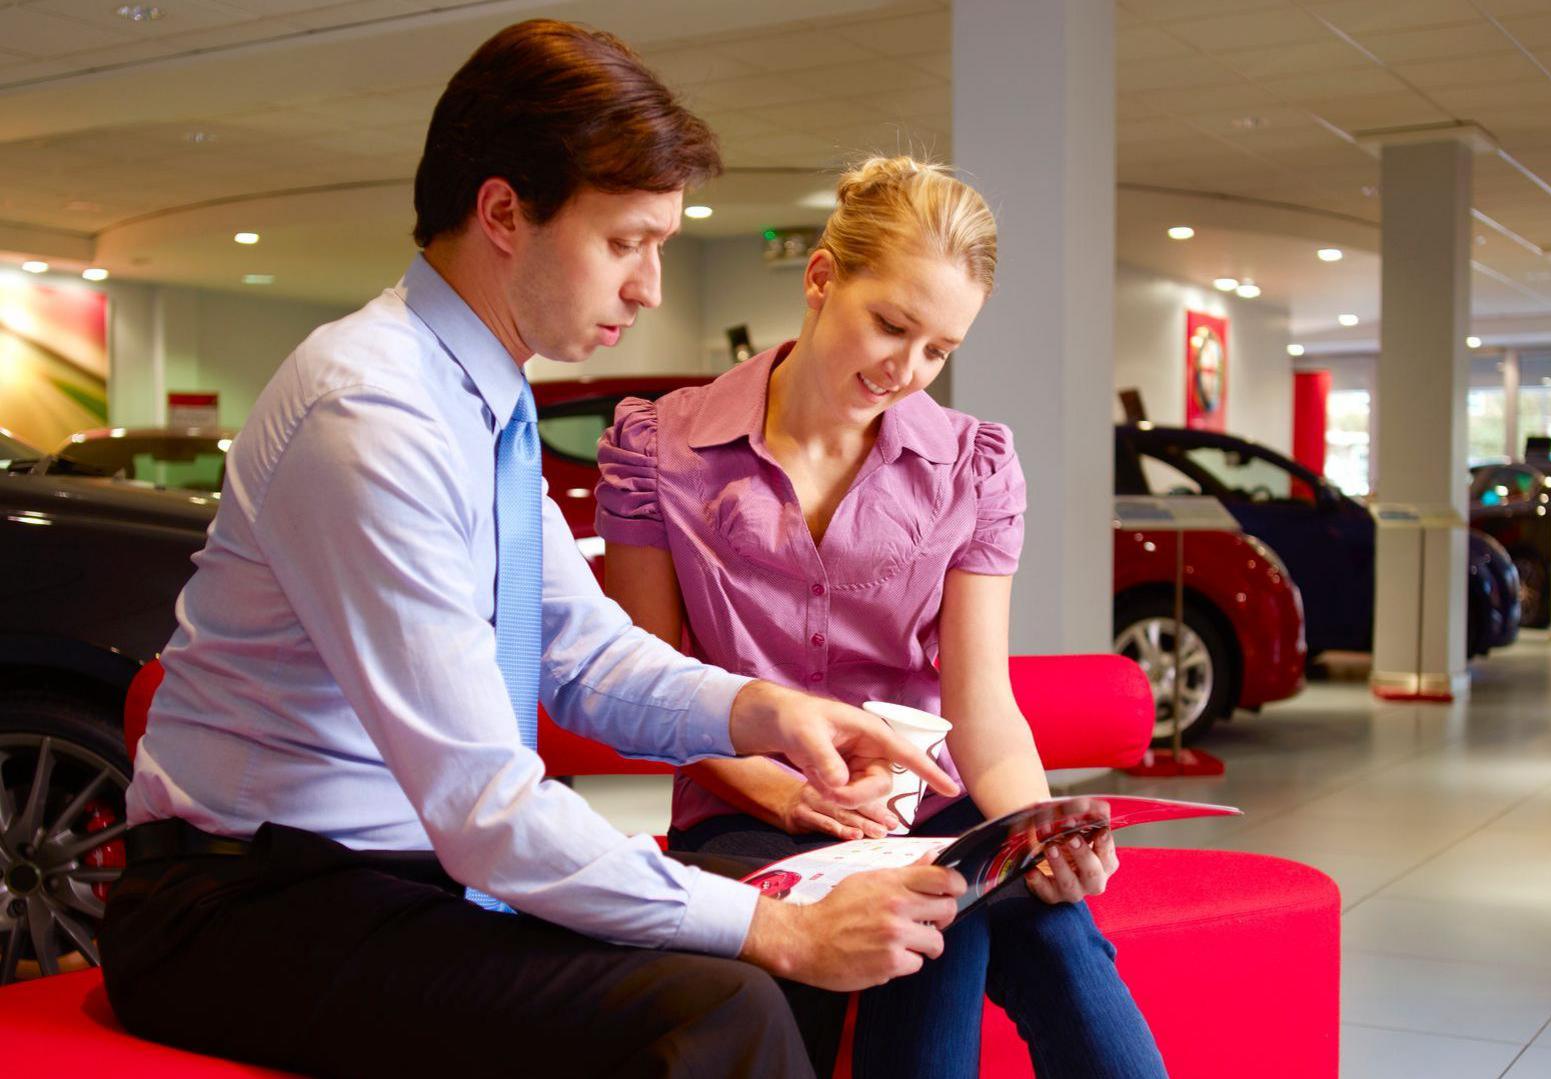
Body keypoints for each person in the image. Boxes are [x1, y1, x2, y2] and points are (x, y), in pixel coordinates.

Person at [99, 21, 966, 1079]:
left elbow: (584, 652)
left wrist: (768, 710)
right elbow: (486, 807)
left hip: (388, 870)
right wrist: (769, 926)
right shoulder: (370, 412)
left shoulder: (482, 399)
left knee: (783, 934)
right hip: (236, 903)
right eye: (626, 242)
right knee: (725, 998)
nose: (649, 285)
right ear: (504, 210)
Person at [596, 155, 1167, 1079]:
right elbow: (650, 687)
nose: (908, 371)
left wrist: (1042, 828)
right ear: (822, 278)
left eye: (939, 350)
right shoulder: (659, 448)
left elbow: (981, 706)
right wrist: (796, 794)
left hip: (934, 807)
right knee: (935, 926)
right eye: (892, 326)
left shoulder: (974, 466)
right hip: (746, 809)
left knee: (1070, 968)